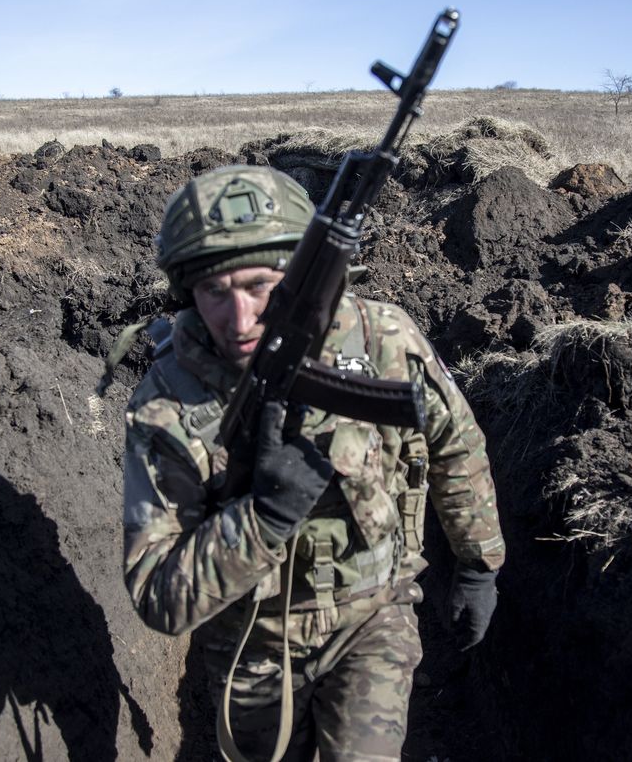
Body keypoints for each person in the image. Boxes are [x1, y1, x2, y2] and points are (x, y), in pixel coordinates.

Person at [121, 164, 505, 761]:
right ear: (184, 290)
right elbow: (158, 597)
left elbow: (454, 440)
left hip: (372, 618)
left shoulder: (382, 340)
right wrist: (264, 518)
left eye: (259, 285)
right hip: (251, 641)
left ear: (303, 275)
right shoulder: (166, 404)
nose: (240, 318)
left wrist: (479, 563)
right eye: (215, 291)